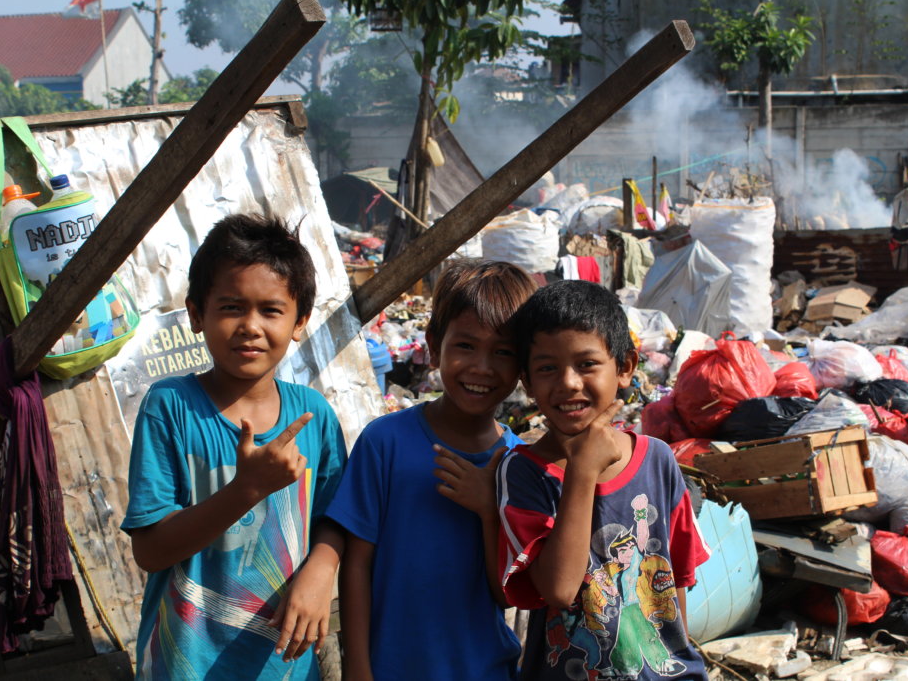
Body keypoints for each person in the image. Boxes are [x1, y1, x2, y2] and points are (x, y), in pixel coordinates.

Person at [121, 214, 347, 680]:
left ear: (300, 321)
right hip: (187, 663)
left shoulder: (314, 415)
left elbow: (336, 519)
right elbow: (151, 552)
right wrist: (246, 491)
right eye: (230, 307)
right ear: (196, 315)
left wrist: (322, 569)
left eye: (271, 310)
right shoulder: (171, 408)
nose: (250, 326)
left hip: (284, 665)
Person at [327, 259, 538, 681]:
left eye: (503, 352)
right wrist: (358, 667)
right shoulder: (385, 442)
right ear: (434, 344)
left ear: (522, 366)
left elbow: (507, 594)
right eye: (466, 346)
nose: (482, 367)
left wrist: (487, 509)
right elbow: (357, 566)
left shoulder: (519, 465)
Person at [497, 280, 710, 680]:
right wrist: (582, 468)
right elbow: (559, 589)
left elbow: (677, 577)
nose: (569, 383)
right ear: (526, 381)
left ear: (625, 368)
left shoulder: (657, 460)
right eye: (547, 368)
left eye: (586, 364)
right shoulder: (523, 472)